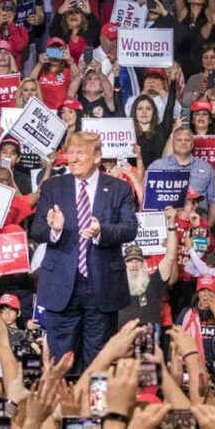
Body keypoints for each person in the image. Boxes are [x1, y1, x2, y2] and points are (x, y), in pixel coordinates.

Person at [29, 131, 137, 368]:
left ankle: (95, 405)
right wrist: (54, 230)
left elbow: (130, 229)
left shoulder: (118, 188)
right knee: (61, 362)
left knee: (98, 362)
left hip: (101, 285)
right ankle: (61, 405)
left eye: (81, 153)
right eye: (70, 152)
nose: (73, 158)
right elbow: (36, 230)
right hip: (61, 285)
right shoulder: (52, 187)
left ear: (97, 157)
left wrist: (103, 232)